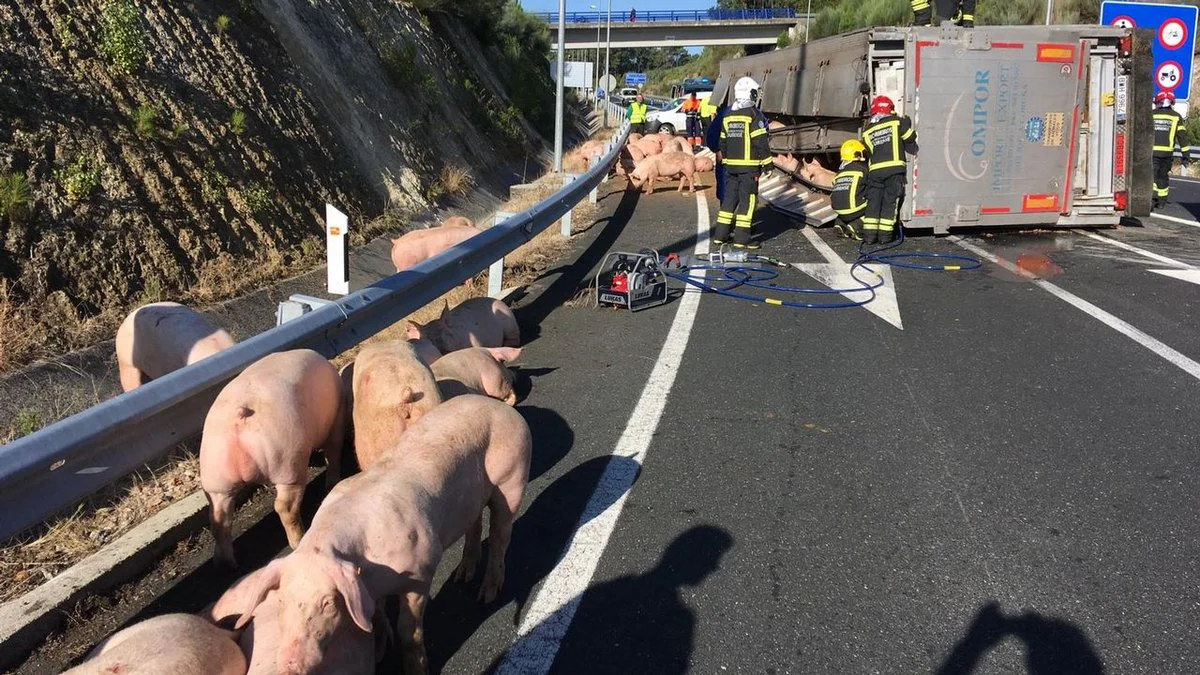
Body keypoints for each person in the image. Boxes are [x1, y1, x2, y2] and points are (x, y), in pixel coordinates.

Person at [715, 77, 772, 249]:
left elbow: (722, 142)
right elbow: (760, 141)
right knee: (748, 202)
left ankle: (720, 235)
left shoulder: (728, 115)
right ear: (752, 94)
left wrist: (728, 158)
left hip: (730, 167)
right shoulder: (754, 115)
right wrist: (768, 163)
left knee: (729, 200)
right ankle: (742, 239)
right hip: (749, 169)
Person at [861, 95, 918, 245]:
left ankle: (869, 237)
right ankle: (885, 238)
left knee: (873, 203)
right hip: (893, 171)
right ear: (889, 110)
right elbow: (911, 137)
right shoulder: (896, 122)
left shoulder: (867, 131)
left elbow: (869, 150)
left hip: (875, 173)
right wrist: (907, 123)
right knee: (889, 203)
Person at [1152, 90, 1191, 210]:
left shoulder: (1151, 115)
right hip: (1167, 154)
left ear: (1157, 102)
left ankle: (1152, 199)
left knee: (1152, 177)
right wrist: (1186, 155)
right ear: (1171, 102)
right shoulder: (1176, 116)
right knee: (1163, 176)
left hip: (1151, 153)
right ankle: (1162, 201)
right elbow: (1182, 137)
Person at [831, 139, 868, 241]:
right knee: (875, 202)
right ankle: (856, 226)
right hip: (854, 210)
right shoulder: (863, 168)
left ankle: (840, 223)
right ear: (857, 154)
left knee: (846, 204)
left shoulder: (840, 172)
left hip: (839, 210)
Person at [705, 99, 729, 203]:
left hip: (726, 160)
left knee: (725, 194)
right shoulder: (755, 114)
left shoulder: (725, 113)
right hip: (748, 165)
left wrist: (717, 149)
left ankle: (726, 217)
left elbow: (711, 135)